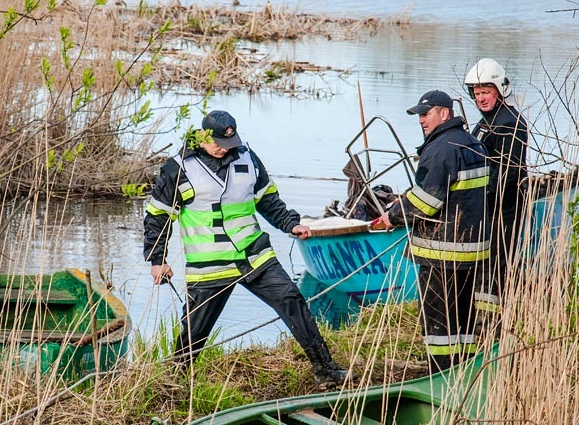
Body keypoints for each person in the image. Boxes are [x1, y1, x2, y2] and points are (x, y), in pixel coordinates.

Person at [143, 110, 352, 387]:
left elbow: (268, 200)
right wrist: (157, 259)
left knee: (292, 299)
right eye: (218, 143)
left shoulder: (247, 158)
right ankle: (175, 383)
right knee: (194, 332)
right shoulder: (178, 168)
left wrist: (290, 224)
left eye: (228, 143)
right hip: (210, 267)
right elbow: (157, 217)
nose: (223, 148)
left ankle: (326, 370)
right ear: (202, 136)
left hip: (254, 256)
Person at [376, 91, 490, 373]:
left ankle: (440, 376)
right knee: (463, 324)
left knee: (439, 326)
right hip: (472, 253)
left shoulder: (440, 149)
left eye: (426, 114)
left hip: (442, 254)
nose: (421, 121)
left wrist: (393, 215)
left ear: (445, 114)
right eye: (419, 116)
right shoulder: (474, 144)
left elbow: (425, 202)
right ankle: (465, 372)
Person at [464, 58, 529, 326]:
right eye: (477, 93)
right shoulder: (487, 121)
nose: (481, 98)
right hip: (486, 209)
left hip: (503, 209)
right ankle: (481, 322)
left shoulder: (510, 123)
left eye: (486, 92)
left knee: (496, 266)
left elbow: (508, 173)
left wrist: (479, 198)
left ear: (500, 90)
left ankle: (494, 325)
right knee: (484, 265)